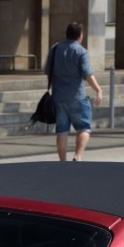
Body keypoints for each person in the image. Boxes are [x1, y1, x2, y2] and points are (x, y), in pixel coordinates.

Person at [47, 22, 103, 161]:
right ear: (80, 36)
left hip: (59, 97)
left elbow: (48, 71)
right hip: (77, 96)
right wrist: (98, 89)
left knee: (61, 132)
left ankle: (62, 162)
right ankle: (78, 157)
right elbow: (87, 75)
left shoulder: (54, 49)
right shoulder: (81, 52)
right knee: (84, 128)